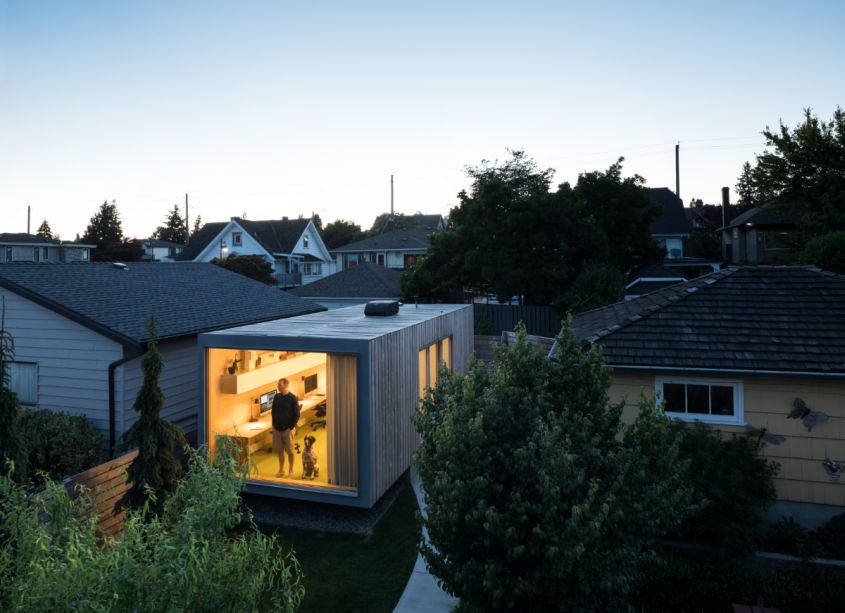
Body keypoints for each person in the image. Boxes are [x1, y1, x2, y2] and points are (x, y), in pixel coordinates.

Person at [271, 378, 300, 478]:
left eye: (279, 385)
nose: (278, 387)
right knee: (279, 451)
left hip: (288, 430)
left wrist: (290, 427)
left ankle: (291, 471)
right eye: (278, 384)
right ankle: (281, 470)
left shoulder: (292, 398)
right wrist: (274, 425)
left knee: (290, 451)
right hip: (277, 429)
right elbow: (273, 412)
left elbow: (296, 415)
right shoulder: (276, 397)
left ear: (286, 385)